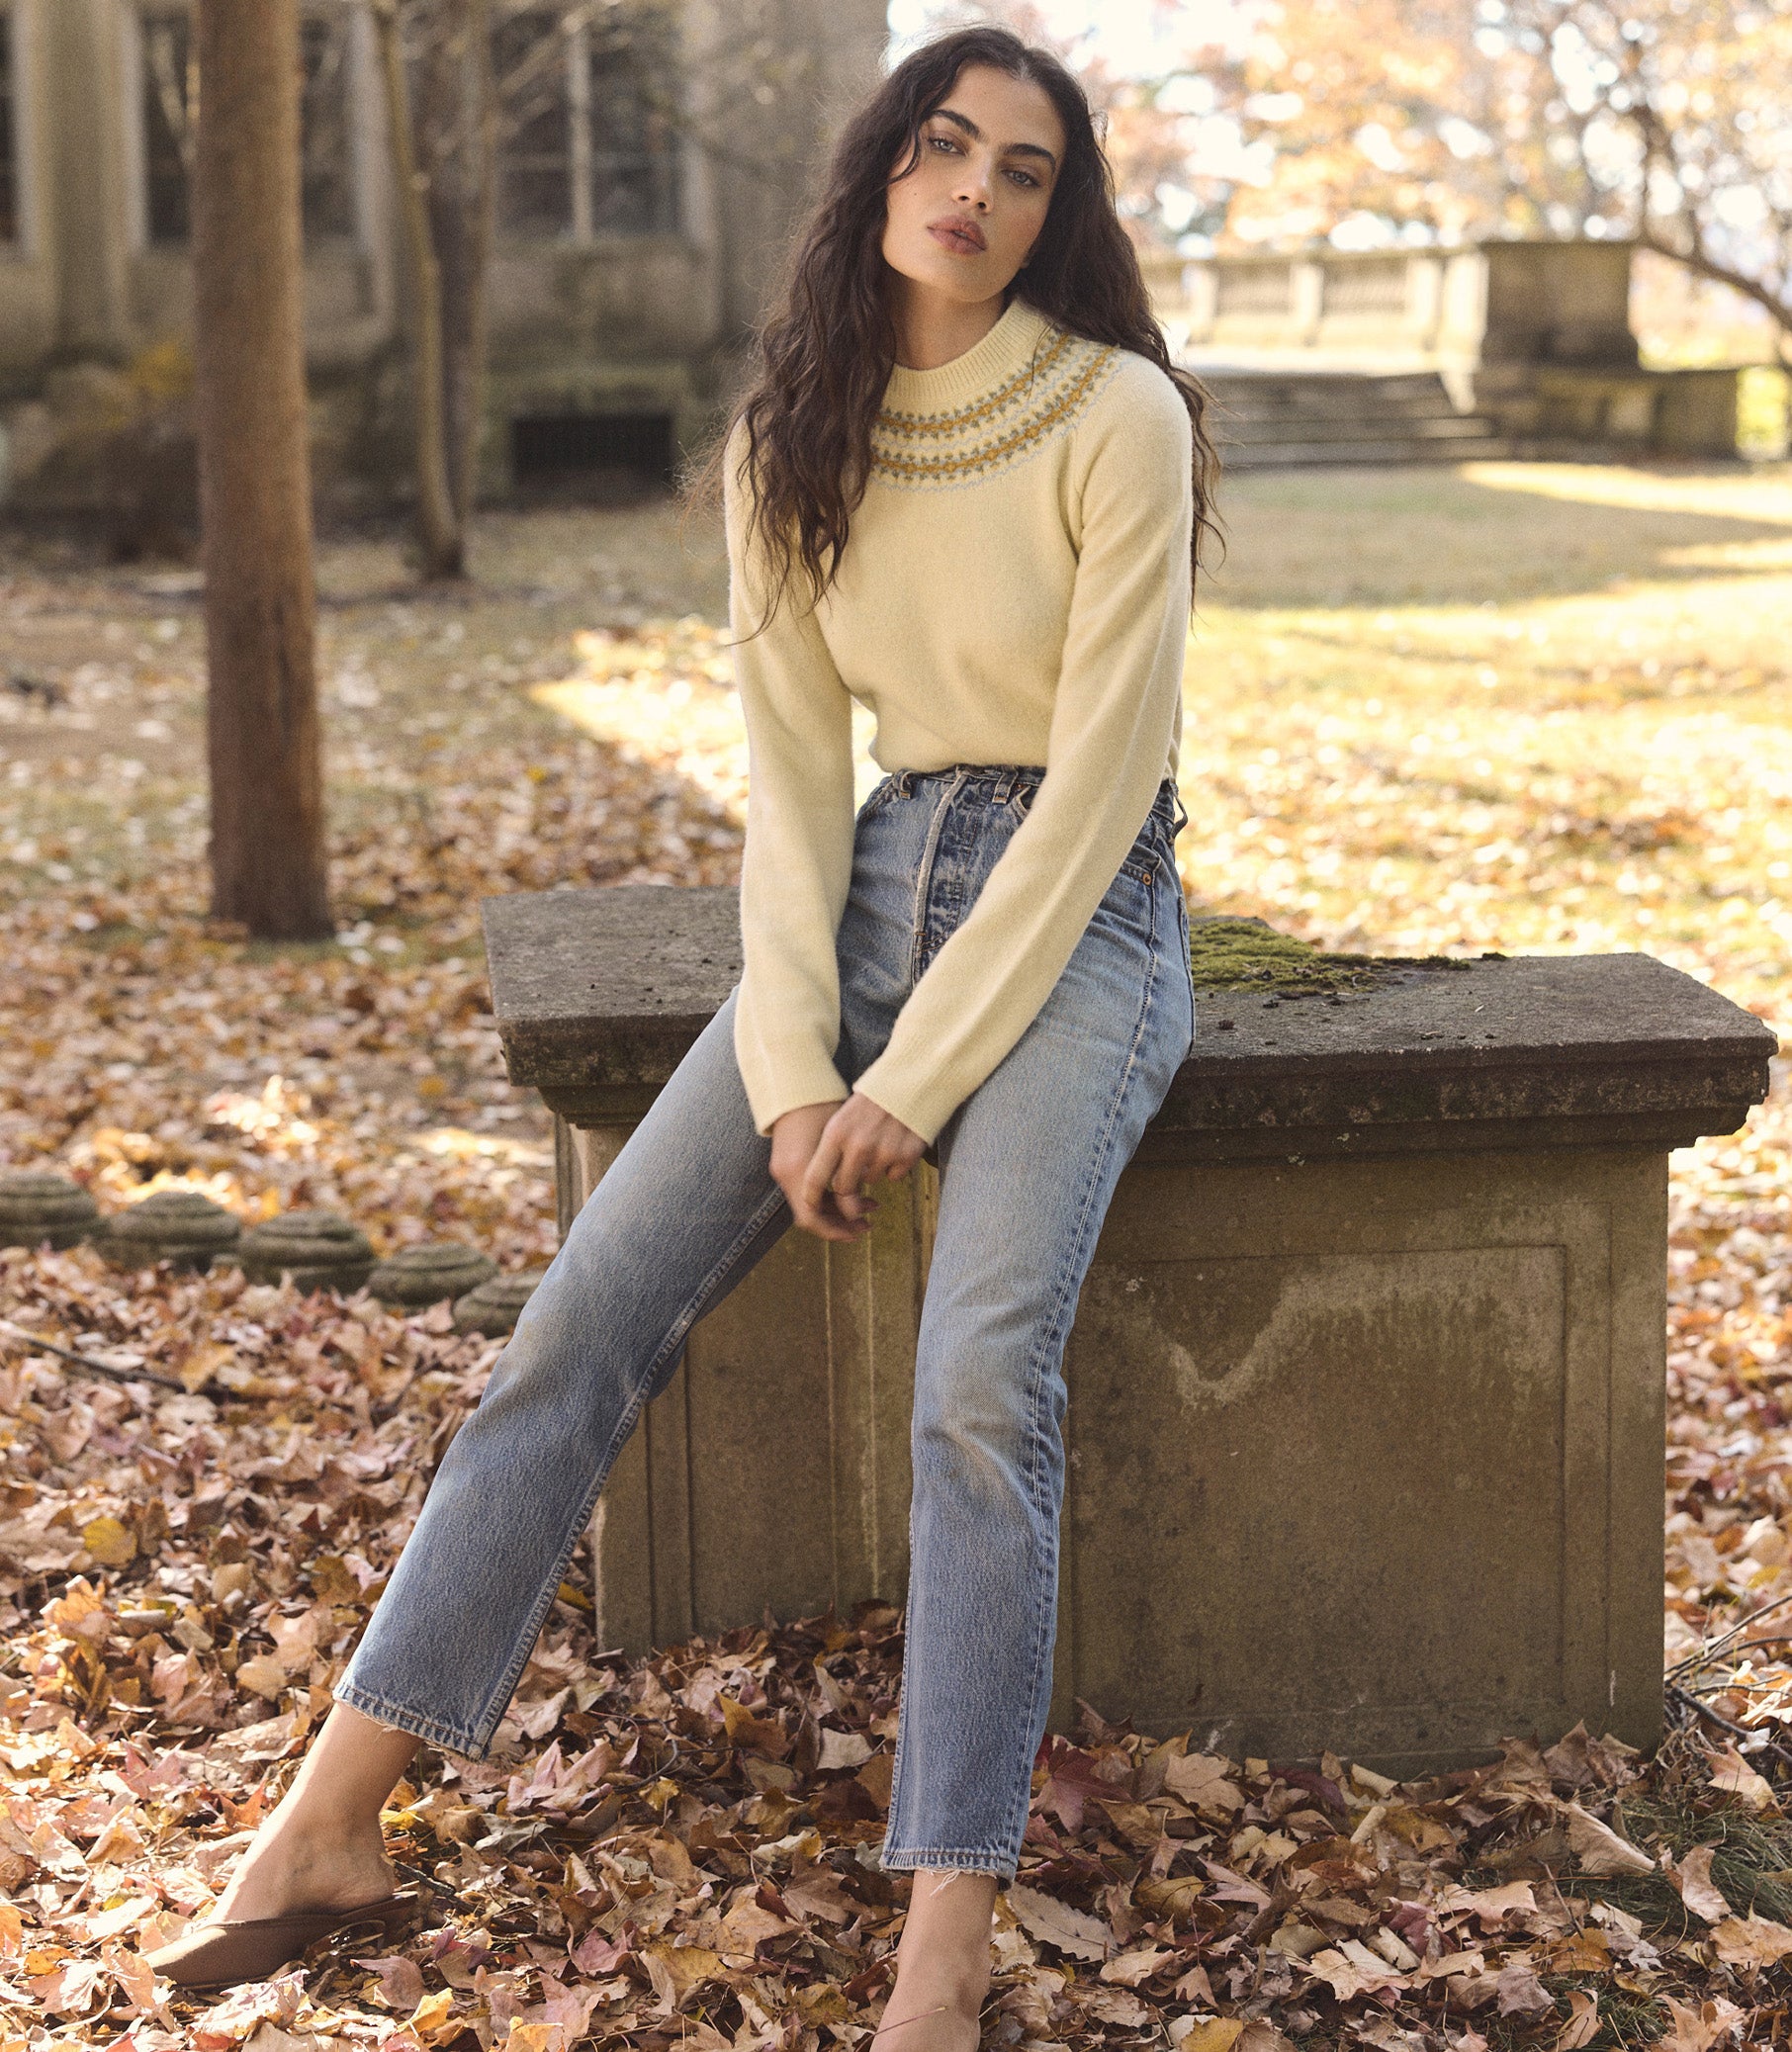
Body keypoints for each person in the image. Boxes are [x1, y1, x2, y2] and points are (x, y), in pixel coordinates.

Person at [147, 25, 1217, 2047]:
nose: (975, 187)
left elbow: (1096, 794)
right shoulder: (793, 433)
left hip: (1085, 925)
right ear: (883, 170)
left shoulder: (1117, 415)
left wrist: (905, 1093)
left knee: (979, 1386)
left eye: (1026, 168)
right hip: (871, 889)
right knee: (569, 1331)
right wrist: (805, 1065)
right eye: (943, 144)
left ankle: (944, 1953)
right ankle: (326, 1828)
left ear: (1061, 213)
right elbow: (796, 780)